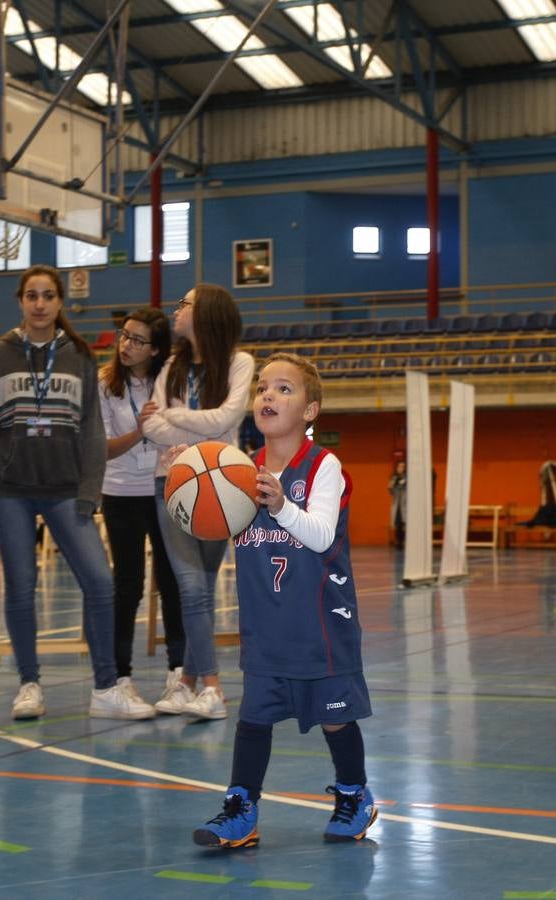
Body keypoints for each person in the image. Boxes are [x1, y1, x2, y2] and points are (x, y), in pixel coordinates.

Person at [191, 353, 376, 848]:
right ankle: (241, 809)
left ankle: (355, 794)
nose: (268, 395)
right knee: (253, 720)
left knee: (336, 718)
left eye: (284, 389)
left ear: (311, 410)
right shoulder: (238, 472)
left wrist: (282, 505)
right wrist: (188, 486)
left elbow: (319, 535)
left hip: (320, 626)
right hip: (266, 627)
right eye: (262, 388)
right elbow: (213, 526)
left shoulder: (323, 465)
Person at [0, 265, 155, 722]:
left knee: (100, 582)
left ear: (59, 303)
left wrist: (90, 488)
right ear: (20, 301)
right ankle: (29, 684)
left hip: (66, 491)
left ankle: (106, 686)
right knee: (21, 588)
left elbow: (92, 429)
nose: (39, 303)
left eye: (47, 295)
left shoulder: (79, 356)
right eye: (31, 295)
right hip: (10, 490)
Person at [141, 284, 255, 720]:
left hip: (226, 488)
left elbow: (227, 418)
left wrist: (174, 417)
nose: (176, 309)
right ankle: (213, 687)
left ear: (206, 313)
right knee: (190, 586)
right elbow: (152, 429)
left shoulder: (240, 363)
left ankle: (187, 682)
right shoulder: (170, 365)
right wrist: (187, 426)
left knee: (202, 589)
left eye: (184, 303)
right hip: (172, 483)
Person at [98, 307, 186, 704]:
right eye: (124, 335)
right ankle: (120, 676)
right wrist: (141, 429)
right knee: (128, 584)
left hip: (165, 488)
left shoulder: (170, 382)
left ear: (155, 350)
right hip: (119, 492)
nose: (126, 345)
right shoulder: (104, 384)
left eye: (137, 340)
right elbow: (103, 449)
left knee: (172, 581)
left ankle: (179, 671)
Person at [387, 459, 406, 547]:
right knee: (398, 524)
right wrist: (393, 484)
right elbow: (390, 490)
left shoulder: (407, 478)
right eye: (400, 466)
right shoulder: (394, 478)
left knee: (404, 523)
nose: (401, 468)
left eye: (403, 467)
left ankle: (403, 541)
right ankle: (399, 542)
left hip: (405, 504)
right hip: (397, 504)